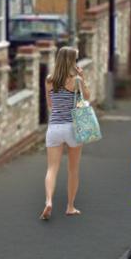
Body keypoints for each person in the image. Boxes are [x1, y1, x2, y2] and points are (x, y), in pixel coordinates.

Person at [41, 46, 90, 221]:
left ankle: (48, 201)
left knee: (52, 168)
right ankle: (70, 207)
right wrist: (82, 78)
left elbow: (50, 105)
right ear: (71, 60)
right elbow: (87, 97)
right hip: (72, 127)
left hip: (54, 127)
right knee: (73, 169)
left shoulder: (49, 79)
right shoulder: (75, 79)